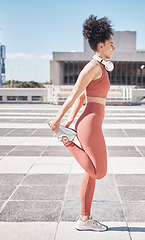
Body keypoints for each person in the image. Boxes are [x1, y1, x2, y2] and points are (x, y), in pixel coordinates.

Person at [48, 15, 115, 232]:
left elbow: (83, 98)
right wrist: (59, 120)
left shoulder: (101, 68)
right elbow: (74, 94)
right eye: (111, 44)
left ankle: (84, 220)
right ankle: (66, 140)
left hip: (91, 122)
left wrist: (70, 120)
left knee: (91, 173)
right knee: (99, 172)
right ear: (100, 45)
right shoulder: (92, 67)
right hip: (89, 125)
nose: (114, 48)